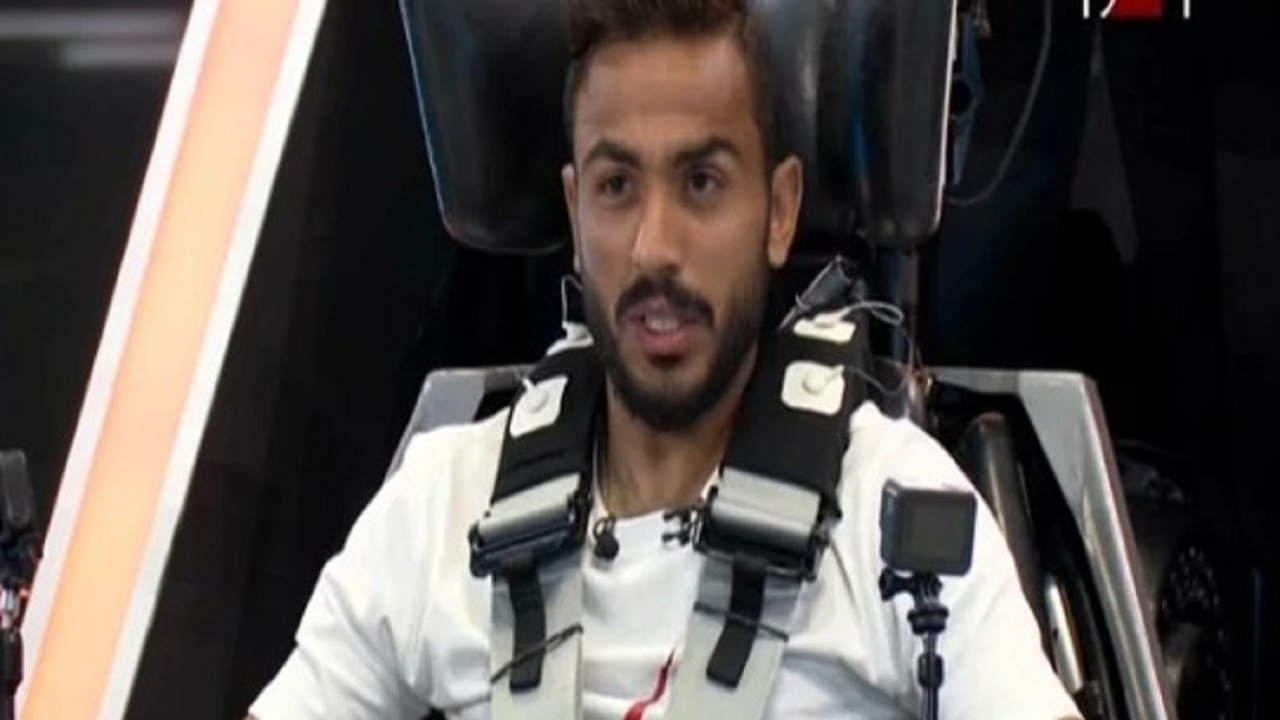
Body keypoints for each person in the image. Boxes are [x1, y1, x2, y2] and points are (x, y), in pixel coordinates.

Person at [249, 1, 1083, 718]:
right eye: (617, 187)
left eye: (701, 183)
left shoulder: (896, 514)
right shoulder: (438, 508)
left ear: (779, 209)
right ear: (576, 212)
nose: (654, 247)